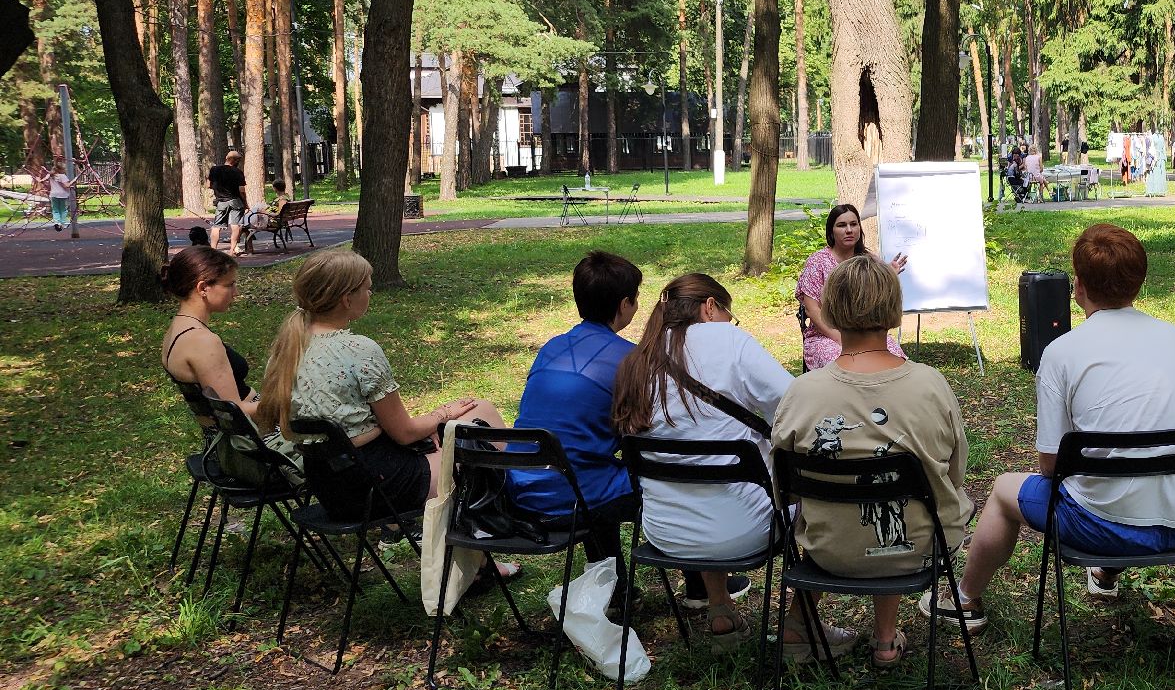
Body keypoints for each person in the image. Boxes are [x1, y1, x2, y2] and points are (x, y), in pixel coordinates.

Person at [921, 223, 1175, 631]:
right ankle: (1105, 576)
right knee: (1127, 473)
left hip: (1103, 529)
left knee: (1004, 490)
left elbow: (1052, 467)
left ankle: (964, 598)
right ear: (1138, 283)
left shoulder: (1062, 353)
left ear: (1079, 287)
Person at [772, 255, 973, 668]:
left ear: (828, 311)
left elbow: (784, 488)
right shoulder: (930, 386)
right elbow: (953, 475)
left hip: (829, 551)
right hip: (919, 549)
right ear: (895, 312)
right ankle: (885, 641)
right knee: (911, 507)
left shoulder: (802, 393)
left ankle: (806, 623)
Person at [612, 272, 794, 647]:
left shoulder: (637, 358)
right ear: (711, 308)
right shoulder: (728, 339)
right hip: (744, 530)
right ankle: (802, 622)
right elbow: (794, 406)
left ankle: (720, 610)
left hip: (665, 533)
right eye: (730, 314)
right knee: (804, 485)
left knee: (705, 475)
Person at [257, 250, 505, 521]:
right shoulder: (358, 350)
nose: (370, 294)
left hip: (328, 485)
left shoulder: (286, 352)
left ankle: (474, 552)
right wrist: (442, 415)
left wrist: (434, 426)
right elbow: (405, 433)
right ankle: (484, 536)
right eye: (367, 288)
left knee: (465, 422)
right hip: (380, 486)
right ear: (346, 299)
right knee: (482, 419)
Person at [506, 252, 660, 610]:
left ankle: (615, 589)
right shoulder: (631, 359)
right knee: (665, 480)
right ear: (625, 304)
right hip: (572, 497)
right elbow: (643, 435)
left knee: (592, 470)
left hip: (522, 490)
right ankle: (703, 588)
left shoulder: (551, 348)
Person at [161, 245, 300, 486]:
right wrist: (283, 404)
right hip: (254, 452)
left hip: (228, 443)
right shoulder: (202, 342)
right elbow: (234, 415)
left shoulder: (177, 329)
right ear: (203, 288)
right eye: (229, 285)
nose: (236, 293)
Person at [797, 204, 907, 370]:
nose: (849, 230)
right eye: (842, 225)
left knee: (896, 359)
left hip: (868, 333)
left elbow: (879, 301)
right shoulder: (817, 262)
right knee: (844, 365)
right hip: (827, 336)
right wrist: (843, 340)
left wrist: (887, 276)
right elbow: (813, 310)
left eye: (853, 224)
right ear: (831, 231)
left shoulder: (869, 260)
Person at [207, 151, 247, 255]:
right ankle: (232, 250)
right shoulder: (238, 172)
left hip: (221, 202)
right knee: (235, 226)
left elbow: (208, 185)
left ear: (226, 158)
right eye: (238, 160)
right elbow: (241, 190)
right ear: (236, 161)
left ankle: (213, 250)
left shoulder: (214, 169)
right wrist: (245, 203)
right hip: (235, 201)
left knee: (216, 226)